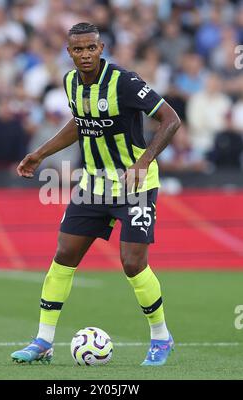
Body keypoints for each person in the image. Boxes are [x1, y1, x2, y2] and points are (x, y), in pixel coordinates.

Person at [11, 22, 180, 366]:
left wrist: (143, 162)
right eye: (78, 49)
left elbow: (171, 119)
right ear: (68, 52)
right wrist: (41, 153)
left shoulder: (125, 82)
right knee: (64, 255)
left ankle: (161, 338)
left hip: (135, 185)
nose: (85, 54)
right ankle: (43, 341)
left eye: (91, 48)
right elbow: (79, 121)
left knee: (133, 263)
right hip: (92, 185)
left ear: (101, 48)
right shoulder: (70, 82)